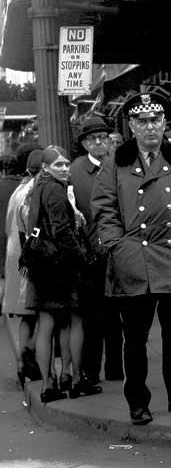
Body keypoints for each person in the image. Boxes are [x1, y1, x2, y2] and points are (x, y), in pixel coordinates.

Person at [92, 91, 171, 425]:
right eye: (143, 121)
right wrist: (117, 247)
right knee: (135, 337)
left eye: (156, 120)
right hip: (135, 258)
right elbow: (104, 211)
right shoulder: (114, 163)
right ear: (131, 125)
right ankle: (138, 402)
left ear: (165, 123)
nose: (150, 127)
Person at [23, 146, 95, 402]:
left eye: (66, 164)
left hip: (41, 266)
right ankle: (75, 379)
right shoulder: (54, 189)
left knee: (46, 324)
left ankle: (48, 385)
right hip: (60, 266)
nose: (64, 169)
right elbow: (62, 231)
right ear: (45, 167)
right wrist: (82, 258)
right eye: (58, 165)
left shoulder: (37, 189)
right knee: (74, 320)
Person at [68, 114, 123, 388]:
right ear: (84, 143)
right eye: (93, 139)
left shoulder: (118, 165)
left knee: (117, 314)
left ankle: (115, 369)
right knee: (93, 316)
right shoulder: (75, 171)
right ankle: (91, 370)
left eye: (104, 138)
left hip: (119, 250)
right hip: (90, 253)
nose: (100, 143)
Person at [3, 144, 42, 384]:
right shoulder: (32, 191)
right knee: (40, 314)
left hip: (14, 257)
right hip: (29, 259)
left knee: (26, 315)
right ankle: (31, 361)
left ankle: (22, 362)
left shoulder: (18, 190)